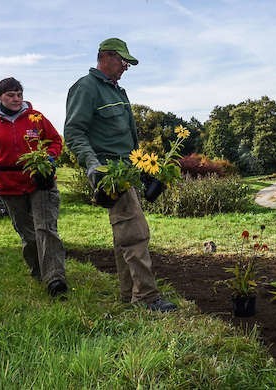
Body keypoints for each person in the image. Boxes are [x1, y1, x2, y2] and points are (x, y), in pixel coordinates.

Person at [64, 38, 177, 312]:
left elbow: (124, 140)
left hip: (127, 171)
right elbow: (74, 132)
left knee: (124, 235)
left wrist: (142, 170)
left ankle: (129, 293)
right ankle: (147, 298)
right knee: (136, 233)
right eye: (122, 61)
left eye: (127, 62)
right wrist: (93, 166)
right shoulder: (87, 87)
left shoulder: (116, 91)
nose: (126, 66)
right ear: (105, 57)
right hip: (110, 174)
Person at [0, 77, 67, 297]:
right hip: (9, 183)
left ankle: (55, 279)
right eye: (10, 95)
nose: (16, 99)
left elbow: (55, 141)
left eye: (19, 94)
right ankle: (38, 269)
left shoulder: (36, 118)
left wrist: (49, 159)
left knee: (45, 228)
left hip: (40, 180)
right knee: (28, 233)